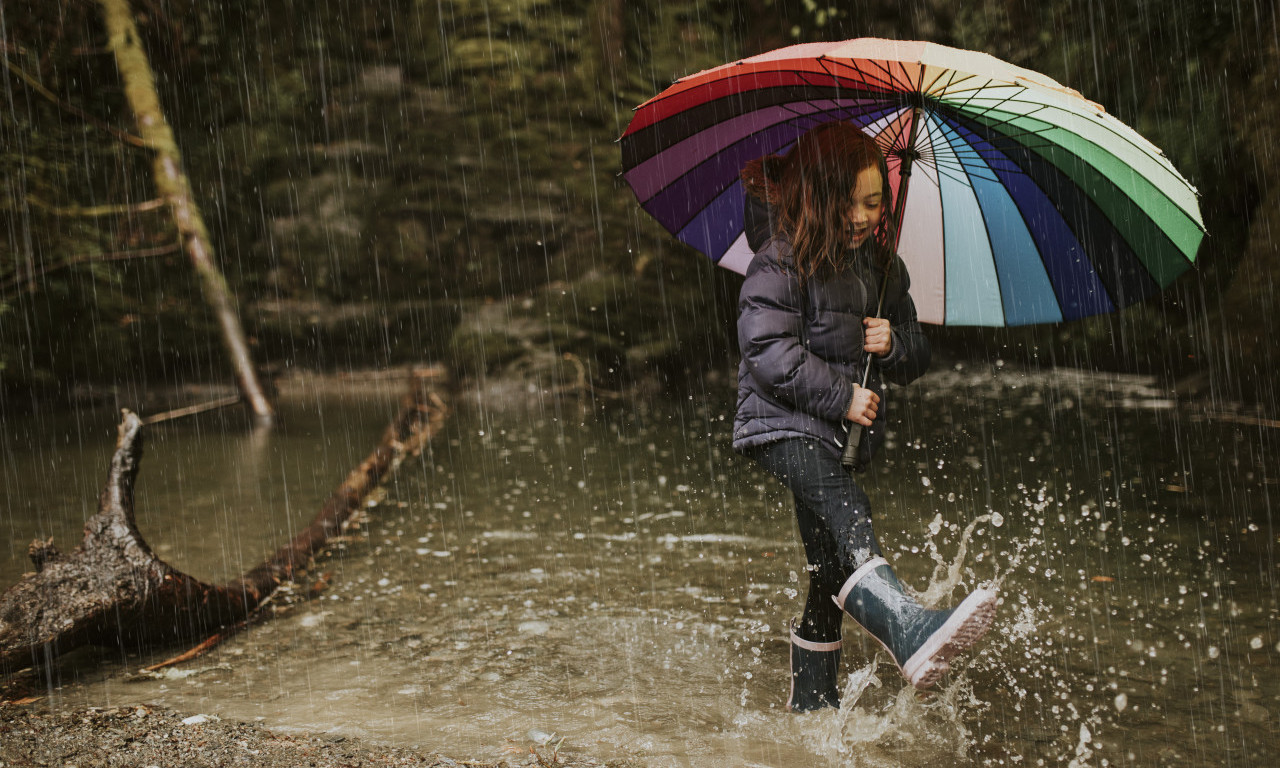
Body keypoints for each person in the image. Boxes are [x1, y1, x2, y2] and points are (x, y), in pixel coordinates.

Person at [733, 121, 996, 712]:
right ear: (819, 197)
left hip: (831, 433)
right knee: (848, 511)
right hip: (779, 426)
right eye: (848, 201)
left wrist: (893, 343)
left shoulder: (882, 267)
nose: (861, 215)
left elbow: (916, 355)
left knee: (828, 570)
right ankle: (907, 626)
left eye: (874, 202)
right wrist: (844, 397)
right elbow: (768, 353)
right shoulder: (780, 259)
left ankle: (811, 711)